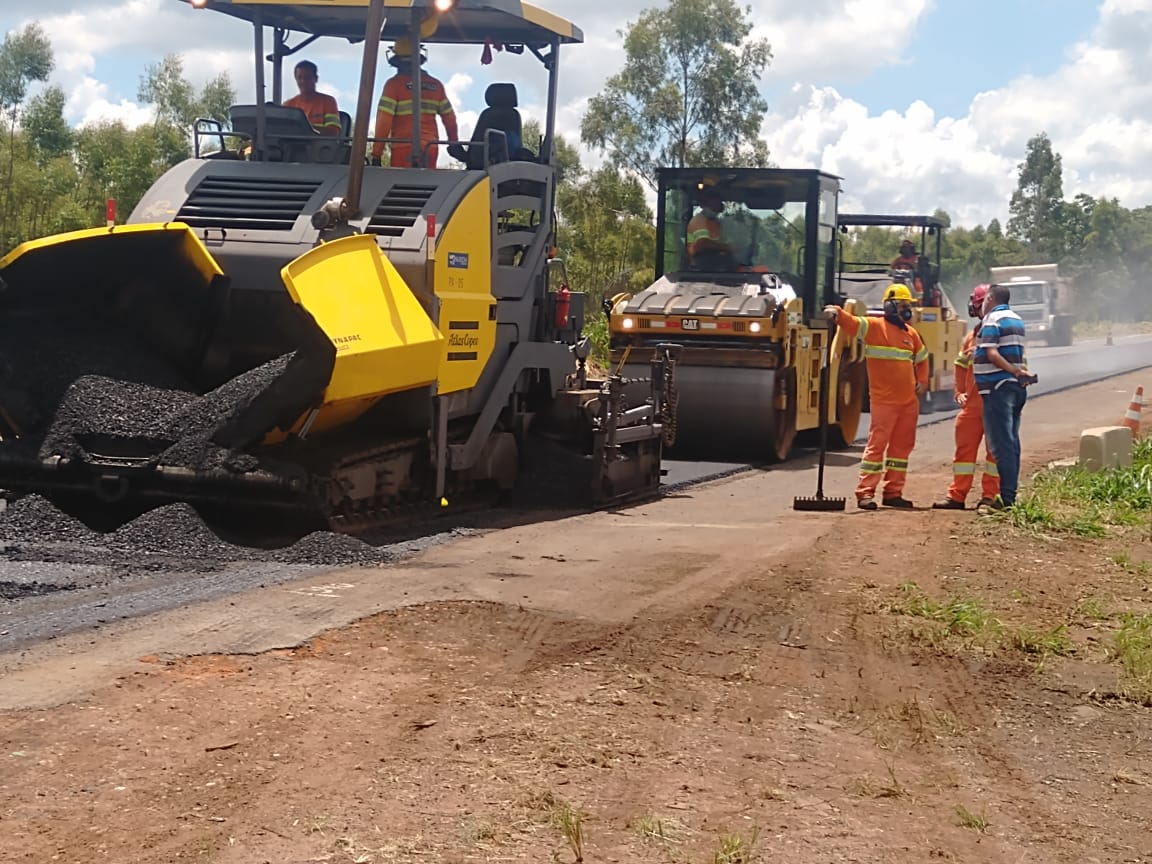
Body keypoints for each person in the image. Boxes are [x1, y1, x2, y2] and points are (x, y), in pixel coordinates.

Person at [824, 284, 929, 509]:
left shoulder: (911, 334)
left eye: (908, 306)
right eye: (903, 306)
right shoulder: (873, 327)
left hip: (908, 402)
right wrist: (837, 312)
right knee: (877, 446)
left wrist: (922, 381)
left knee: (902, 449)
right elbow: (852, 323)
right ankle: (865, 493)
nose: (906, 311)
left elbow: (922, 359)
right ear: (890, 306)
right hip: (884, 402)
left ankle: (893, 492)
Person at [932, 284, 999, 510]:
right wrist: (959, 392)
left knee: (995, 456)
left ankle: (990, 497)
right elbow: (960, 366)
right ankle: (957, 496)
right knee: (963, 455)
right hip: (971, 407)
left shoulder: (1003, 334)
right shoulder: (971, 336)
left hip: (994, 406)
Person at [974, 282, 1032, 509]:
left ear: (990, 299)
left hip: (998, 389)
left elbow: (991, 353)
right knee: (1012, 441)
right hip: (1015, 389)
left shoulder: (992, 321)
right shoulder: (1016, 319)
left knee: (1001, 445)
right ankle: (1010, 494)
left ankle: (1007, 498)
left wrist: (1014, 371)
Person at [371, 40, 459, 168]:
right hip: (431, 148)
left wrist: (376, 154)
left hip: (403, 147)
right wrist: (454, 143)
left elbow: (384, 121)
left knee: (402, 185)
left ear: (397, 60)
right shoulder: (436, 85)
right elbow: (450, 119)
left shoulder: (394, 85)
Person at [283, 61, 341, 136]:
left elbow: (333, 131)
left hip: (319, 145)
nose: (303, 81)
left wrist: (305, 129)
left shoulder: (328, 101)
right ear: (296, 79)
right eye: (300, 77)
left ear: (316, 79)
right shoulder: (288, 105)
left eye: (307, 77)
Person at [686, 192, 734, 268]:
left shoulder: (715, 222)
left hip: (715, 264)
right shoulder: (699, 220)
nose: (719, 203)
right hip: (701, 266)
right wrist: (727, 247)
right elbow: (703, 243)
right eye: (716, 200)